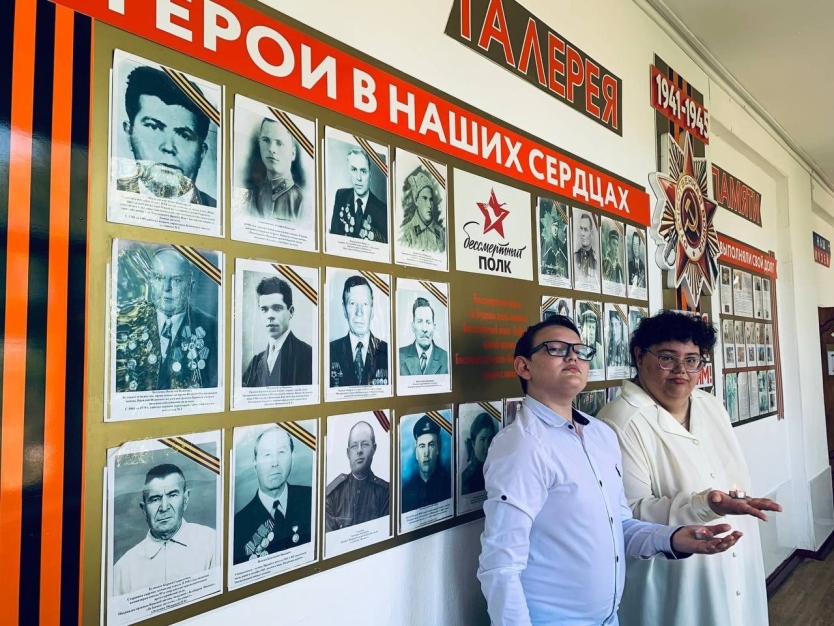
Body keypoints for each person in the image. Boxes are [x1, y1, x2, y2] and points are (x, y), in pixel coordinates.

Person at [478, 315, 745, 625]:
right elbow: (501, 565)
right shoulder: (521, 445)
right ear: (524, 367)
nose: (572, 357)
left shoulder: (599, 434)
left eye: (580, 350)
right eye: (556, 349)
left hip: (608, 618)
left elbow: (620, 525)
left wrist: (672, 539)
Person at [598, 310, 781, 626]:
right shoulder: (620, 421)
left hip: (733, 561)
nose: (681, 370)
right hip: (672, 578)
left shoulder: (710, 405)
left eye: (692, 359)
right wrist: (705, 505)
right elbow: (627, 516)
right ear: (639, 356)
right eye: (667, 358)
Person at [115, 247, 218, 392]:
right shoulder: (129, 321)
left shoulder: (212, 328)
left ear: (191, 286)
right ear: (151, 281)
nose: (166, 288)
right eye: (159, 278)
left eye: (176, 280)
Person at [116, 65, 215, 206]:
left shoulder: (218, 209)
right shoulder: (109, 196)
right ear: (129, 133)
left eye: (184, 135)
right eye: (153, 127)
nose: (168, 147)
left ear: (202, 153)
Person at [113, 464, 216, 595]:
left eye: (172, 495)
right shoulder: (122, 570)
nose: (164, 507)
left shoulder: (212, 543)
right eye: (155, 499)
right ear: (144, 509)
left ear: (185, 500)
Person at [233, 427, 312, 564]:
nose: (275, 463)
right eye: (267, 455)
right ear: (255, 463)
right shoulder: (239, 525)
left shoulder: (311, 499)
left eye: (281, 452)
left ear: (293, 458)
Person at [241, 276, 313, 387]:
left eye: (277, 308)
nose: (270, 315)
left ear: (291, 312)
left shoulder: (308, 355)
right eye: (264, 309)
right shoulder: (255, 362)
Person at [325, 421, 390, 530]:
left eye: (365, 444)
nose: (359, 450)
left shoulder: (386, 492)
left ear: (374, 449)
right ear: (348, 453)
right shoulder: (333, 494)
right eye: (354, 446)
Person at [329, 275, 388, 387]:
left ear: (372, 310)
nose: (359, 312)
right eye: (352, 303)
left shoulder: (387, 351)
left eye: (365, 304)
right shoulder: (330, 351)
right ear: (344, 310)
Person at [243, 118, 304, 222]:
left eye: (279, 143)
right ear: (259, 142)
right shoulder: (251, 196)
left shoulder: (302, 202)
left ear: (293, 153)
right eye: (266, 140)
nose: (271, 149)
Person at [329, 148, 387, 242]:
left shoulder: (383, 210)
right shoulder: (341, 196)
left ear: (370, 175)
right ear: (349, 173)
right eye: (354, 170)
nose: (358, 178)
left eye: (363, 171)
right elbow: (333, 237)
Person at [401, 415, 451, 513]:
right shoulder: (406, 493)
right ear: (416, 452)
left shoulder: (449, 486)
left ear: (437, 449)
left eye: (431, 445)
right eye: (422, 446)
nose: (426, 453)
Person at [398, 168, 445, 252]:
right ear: (416, 201)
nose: (429, 205)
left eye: (431, 199)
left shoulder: (442, 234)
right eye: (424, 198)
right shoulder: (406, 234)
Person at [399, 297, 449, 376]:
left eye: (428, 322)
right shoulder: (399, 356)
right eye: (419, 322)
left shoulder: (446, 358)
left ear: (434, 327)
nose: (424, 329)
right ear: (413, 326)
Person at [460, 412, 497, 495]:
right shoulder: (466, 480)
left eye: (490, 439)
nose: (486, 446)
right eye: (482, 440)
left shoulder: (496, 471)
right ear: (473, 443)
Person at [540, 203, 569, 278]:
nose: (555, 228)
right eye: (553, 225)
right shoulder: (545, 243)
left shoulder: (561, 245)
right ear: (550, 227)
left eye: (557, 226)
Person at [574, 212, 598, 281]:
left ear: (592, 234)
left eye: (586, 230)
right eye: (581, 229)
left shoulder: (596, 262)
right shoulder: (575, 257)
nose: (582, 234)